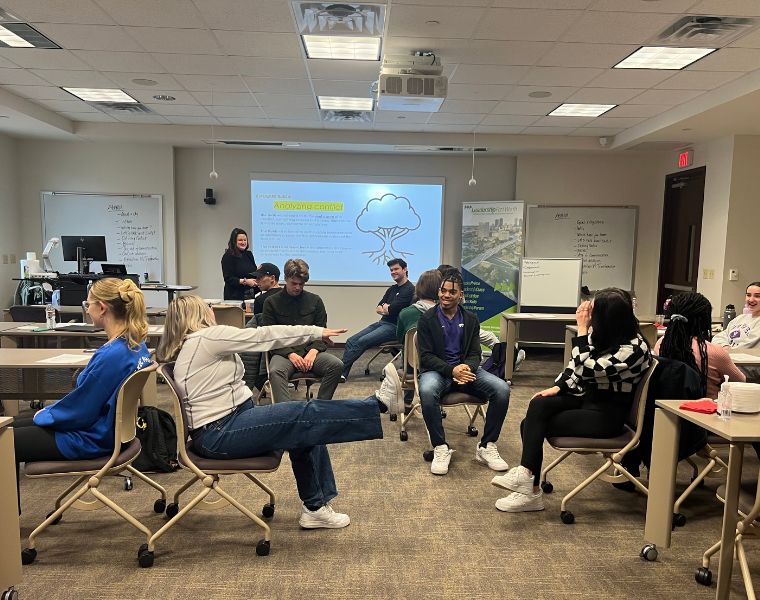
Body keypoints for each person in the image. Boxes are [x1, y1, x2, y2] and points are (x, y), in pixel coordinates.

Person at [156, 295, 384, 529]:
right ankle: (378, 405)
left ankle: (315, 508)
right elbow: (263, 336)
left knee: (306, 424)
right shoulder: (206, 337)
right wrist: (315, 332)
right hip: (221, 433)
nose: (212, 309)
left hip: (224, 426)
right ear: (198, 314)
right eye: (208, 306)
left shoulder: (194, 344)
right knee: (303, 414)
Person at [492, 288, 651, 513]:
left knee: (531, 424)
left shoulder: (635, 348)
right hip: (588, 399)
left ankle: (530, 488)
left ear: (608, 317)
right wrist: (559, 386)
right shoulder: (605, 335)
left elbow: (587, 369)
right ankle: (527, 478)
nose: (588, 314)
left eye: (593, 311)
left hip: (607, 415)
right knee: (539, 403)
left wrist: (582, 330)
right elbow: (573, 368)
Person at [12, 278, 152, 511]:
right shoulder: (135, 345)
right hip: (110, 431)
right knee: (12, 424)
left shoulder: (111, 355)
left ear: (102, 308)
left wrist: (44, 415)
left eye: (88, 304)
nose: (87, 309)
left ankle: (5, 526)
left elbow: (80, 412)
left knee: (4, 438)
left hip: (91, 437)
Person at [416, 270, 511, 476]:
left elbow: (476, 353)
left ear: (461, 295)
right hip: (438, 371)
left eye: (452, 292)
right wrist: (452, 370)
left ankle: (486, 447)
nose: (446, 295)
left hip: (466, 370)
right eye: (443, 291)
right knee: (427, 390)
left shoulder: (470, 319)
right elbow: (425, 357)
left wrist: (466, 367)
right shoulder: (427, 319)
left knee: (502, 389)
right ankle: (440, 447)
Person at [261, 258, 343, 402]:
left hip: (310, 352)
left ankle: (321, 407)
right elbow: (270, 337)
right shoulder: (271, 302)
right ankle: (287, 414)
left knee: (336, 365)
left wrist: (313, 351)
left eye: (302, 284)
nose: (298, 287)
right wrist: (291, 354)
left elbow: (321, 333)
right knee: (275, 371)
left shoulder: (315, 301)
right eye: (294, 283)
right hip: (283, 352)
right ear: (285, 279)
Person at [656, 292, 745, 398]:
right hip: (706, 410)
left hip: (666, 409)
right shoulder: (714, 352)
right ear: (704, 320)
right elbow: (740, 381)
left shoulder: (661, 343)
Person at [340, 258, 414, 381]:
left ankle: (338, 372)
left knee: (361, 341)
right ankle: (342, 373)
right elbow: (379, 307)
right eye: (391, 270)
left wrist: (387, 308)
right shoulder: (392, 289)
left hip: (395, 327)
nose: (393, 272)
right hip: (382, 323)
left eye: (396, 269)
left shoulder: (409, 289)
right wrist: (386, 308)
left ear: (405, 269)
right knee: (351, 340)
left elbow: (393, 309)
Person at [712, 281, 760, 348]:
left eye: (757, 296)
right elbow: (718, 337)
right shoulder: (740, 318)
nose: (751, 300)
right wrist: (725, 346)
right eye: (748, 295)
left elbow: (747, 346)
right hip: (727, 355)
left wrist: (727, 350)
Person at [221, 227, 257, 301]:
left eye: (245, 240)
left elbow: (253, 272)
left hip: (250, 294)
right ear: (234, 241)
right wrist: (246, 281)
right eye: (240, 240)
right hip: (234, 295)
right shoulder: (228, 256)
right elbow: (228, 278)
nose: (243, 242)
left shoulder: (249, 254)